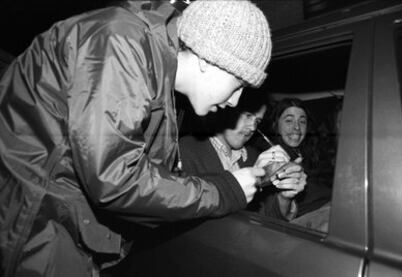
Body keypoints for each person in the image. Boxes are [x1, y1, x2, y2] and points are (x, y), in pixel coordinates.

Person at [0, 1, 275, 276]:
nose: (236, 101)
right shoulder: (120, 42)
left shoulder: (157, 74)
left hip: (59, 222)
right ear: (208, 58)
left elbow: (149, 175)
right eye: (239, 84)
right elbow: (115, 179)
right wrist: (225, 190)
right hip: (28, 220)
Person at [179, 90, 306, 221]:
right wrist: (253, 180)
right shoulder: (187, 149)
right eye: (247, 115)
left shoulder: (253, 156)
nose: (253, 127)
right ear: (225, 110)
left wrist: (285, 196)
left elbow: (265, 218)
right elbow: (184, 209)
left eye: (257, 121)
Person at [262, 97, 333, 231]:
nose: (296, 127)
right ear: (275, 124)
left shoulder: (314, 152)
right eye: (289, 121)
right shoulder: (270, 157)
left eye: (302, 121)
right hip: (305, 226)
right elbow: (274, 216)